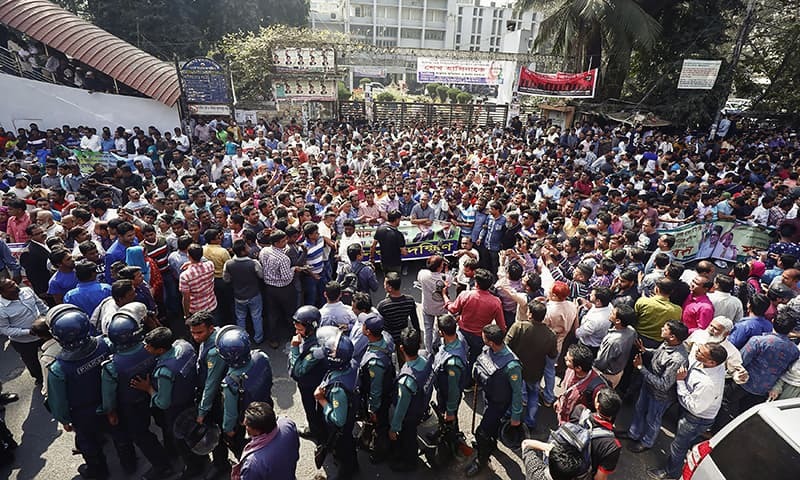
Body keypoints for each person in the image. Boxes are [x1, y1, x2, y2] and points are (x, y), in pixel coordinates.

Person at [46, 305, 123, 479]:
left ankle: (98, 472)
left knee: (88, 443)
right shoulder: (106, 344)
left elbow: (58, 401)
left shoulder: (58, 368)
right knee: (119, 433)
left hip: (83, 414)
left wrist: (64, 419)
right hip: (113, 402)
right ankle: (129, 461)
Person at [101, 306, 172, 479]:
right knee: (165, 424)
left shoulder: (112, 365)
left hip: (132, 405)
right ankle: (173, 452)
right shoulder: (150, 347)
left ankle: (162, 466)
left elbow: (108, 394)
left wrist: (110, 412)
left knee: (141, 435)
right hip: (155, 394)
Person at [131, 327, 204, 479]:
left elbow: (163, 403)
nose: (145, 347)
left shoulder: (165, 372)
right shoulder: (185, 346)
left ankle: (192, 468)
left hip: (177, 410)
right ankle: (201, 457)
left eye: (149, 346)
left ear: (160, 350)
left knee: (182, 439)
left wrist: (148, 388)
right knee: (194, 433)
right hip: (193, 397)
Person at [648, 343, 728, 480]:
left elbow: (694, 407)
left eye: (701, 353)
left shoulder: (708, 384)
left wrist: (680, 382)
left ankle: (670, 473)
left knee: (679, 447)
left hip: (695, 417)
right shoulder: (712, 365)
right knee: (690, 441)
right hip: (696, 412)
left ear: (711, 362)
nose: (696, 352)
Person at [720, 310, 800, 425]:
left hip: (743, 383)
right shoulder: (794, 350)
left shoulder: (758, 341)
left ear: (773, 321)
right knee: (746, 415)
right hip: (763, 389)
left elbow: (741, 361)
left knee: (727, 404)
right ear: (792, 329)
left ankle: (721, 429)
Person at [466, 324, 523, 477]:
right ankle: (491, 443)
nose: (481, 338)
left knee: (481, 432)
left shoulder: (512, 365)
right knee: (491, 428)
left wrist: (515, 416)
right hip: (489, 396)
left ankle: (481, 460)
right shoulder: (487, 350)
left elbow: (518, 392)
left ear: (491, 341)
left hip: (499, 404)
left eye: (484, 337)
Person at [626, 320, 689, 453]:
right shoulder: (667, 343)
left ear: (673, 337)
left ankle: (646, 442)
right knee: (639, 409)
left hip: (660, 396)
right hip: (648, 385)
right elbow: (658, 353)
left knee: (652, 419)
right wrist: (645, 350)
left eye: (665, 329)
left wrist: (640, 368)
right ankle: (633, 433)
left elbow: (663, 385)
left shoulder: (677, 359)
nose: (661, 329)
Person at [443, 268, 506, 388]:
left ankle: (457, 378)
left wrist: (445, 297)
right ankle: (469, 383)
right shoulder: (496, 302)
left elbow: (452, 309)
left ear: (476, 282)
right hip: (480, 337)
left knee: (459, 355)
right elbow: (501, 326)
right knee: (474, 359)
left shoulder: (465, 295)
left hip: (462, 332)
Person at [186, 311, 231, 478]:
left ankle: (222, 464)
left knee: (219, 432)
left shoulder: (214, 351)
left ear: (211, 329)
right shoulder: (215, 336)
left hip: (217, 399)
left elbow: (211, 384)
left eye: (199, 332)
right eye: (193, 332)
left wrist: (202, 411)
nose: (196, 337)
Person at [217, 326, 274, 458]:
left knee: (245, 451)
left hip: (248, 422)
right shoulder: (261, 356)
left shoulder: (231, 382)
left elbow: (230, 413)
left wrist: (228, 429)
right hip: (266, 406)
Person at [314, 326, 359, 479]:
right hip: (351, 413)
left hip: (341, 428)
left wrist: (321, 400)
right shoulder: (351, 364)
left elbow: (338, 420)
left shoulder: (337, 390)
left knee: (343, 450)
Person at [506, 300, 557, 429]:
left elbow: (506, 346)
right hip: (536, 371)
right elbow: (552, 355)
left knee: (513, 392)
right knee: (533, 395)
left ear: (530, 314)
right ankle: (530, 421)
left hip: (516, 369)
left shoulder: (519, 327)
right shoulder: (550, 335)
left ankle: (509, 415)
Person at [387, 327, 431, 472]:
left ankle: (410, 463)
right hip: (422, 405)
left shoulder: (406, 380)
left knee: (409, 438)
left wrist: (394, 428)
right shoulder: (425, 360)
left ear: (401, 348)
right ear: (419, 344)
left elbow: (401, 408)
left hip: (410, 415)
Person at [357, 313, 395, 463]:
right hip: (387, 385)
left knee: (380, 423)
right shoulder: (386, 338)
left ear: (368, 332)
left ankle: (381, 451)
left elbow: (376, 388)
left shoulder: (375, 362)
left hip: (380, 397)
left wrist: (373, 408)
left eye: (363, 325)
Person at [289, 305, 328, 444]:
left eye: (300, 329)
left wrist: (293, 348)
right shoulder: (321, 334)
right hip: (320, 379)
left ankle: (316, 432)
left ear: (311, 328)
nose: (296, 332)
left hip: (310, 383)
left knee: (312, 409)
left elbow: (297, 371)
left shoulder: (315, 349)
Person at [230, 401, 300, 480]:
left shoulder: (253, 464)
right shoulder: (287, 424)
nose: (244, 423)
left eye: (247, 424)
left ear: (257, 431)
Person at [0, 278, 49, 383]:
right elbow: (5, 329)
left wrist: (49, 316)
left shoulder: (27, 291)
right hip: (23, 342)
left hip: (44, 333)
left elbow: (40, 305)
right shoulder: (1, 309)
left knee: (51, 354)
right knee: (32, 363)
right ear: (2, 292)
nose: (15, 286)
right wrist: (27, 332)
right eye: (10, 287)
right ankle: (40, 379)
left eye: (13, 283)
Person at [260, 230, 297, 349]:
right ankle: (293, 334)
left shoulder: (265, 250)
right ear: (276, 243)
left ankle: (273, 338)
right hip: (283, 289)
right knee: (289, 312)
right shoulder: (283, 259)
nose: (286, 242)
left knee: (272, 314)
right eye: (283, 241)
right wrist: (294, 269)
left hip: (269, 287)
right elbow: (287, 278)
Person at [554, 344, 608, 425]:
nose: (565, 358)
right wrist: (559, 401)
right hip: (562, 415)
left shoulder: (597, 387)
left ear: (578, 368)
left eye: (568, 360)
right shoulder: (569, 370)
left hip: (574, 424)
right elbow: (566, 390)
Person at [223, 239, 264, 344]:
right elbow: (261, 275)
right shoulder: (254, 263)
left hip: (239, 296)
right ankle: (258, 338)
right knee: (257, 317)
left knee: (240, 318)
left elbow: (226, 279)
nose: (249, 248)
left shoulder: (229, 264)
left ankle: (242, 339)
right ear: (242, 251)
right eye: (246, 247)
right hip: (254, 294)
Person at [594, 303, 638, 388]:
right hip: (618, 371)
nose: (610, 313)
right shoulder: (632, 331)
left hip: (606, 376)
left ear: (618, 321)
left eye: (613, 313)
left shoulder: (612, 341)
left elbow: (601, 363)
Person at [634, 278, 682, 348]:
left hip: (638, 339)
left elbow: (634, 318)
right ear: (671, 292)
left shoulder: (643, 301)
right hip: (659, 344)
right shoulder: (677, 310)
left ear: (656, 289)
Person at [377, 272, 420, 349]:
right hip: (403, 335)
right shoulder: (410, 301)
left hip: (389, 337)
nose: (383, 285)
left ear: (390, 287)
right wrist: (418, 336)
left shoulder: (383, 305)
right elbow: (414, 320)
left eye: (385, 283)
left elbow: (379, 324)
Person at [417, 255, 449, 354]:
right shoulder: (445, 277)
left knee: (428, 330)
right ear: (440, 267)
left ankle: (429, 351)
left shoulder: (422, 274)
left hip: (427, 307)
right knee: (440, 327)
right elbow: (449, 282)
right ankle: (437, 343)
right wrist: (446, 270)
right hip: (441, 308)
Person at [179, 243, 218, 324]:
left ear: (188, 255)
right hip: (212, 304)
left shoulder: (185, 276)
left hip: (197, 310)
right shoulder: (210, 265)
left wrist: (186, 315)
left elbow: (186, 298)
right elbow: (204, 260)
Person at [576, 287, 614, 356]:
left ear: (598, 301)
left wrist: (576, 311)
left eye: (592, 295)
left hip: (588, 346)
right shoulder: (609, 306)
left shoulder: (594, 321)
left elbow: (578, 334)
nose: (590, 294)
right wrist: (589, 305)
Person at [370, 210, 407, 275]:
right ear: (397, 220)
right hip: (395, 263)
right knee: (395, 282)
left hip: (384, 262)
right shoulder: (398, 234)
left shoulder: (380, 229)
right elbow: (404, 252)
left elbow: (373, 246)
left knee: (387, 280)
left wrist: (372, 257)